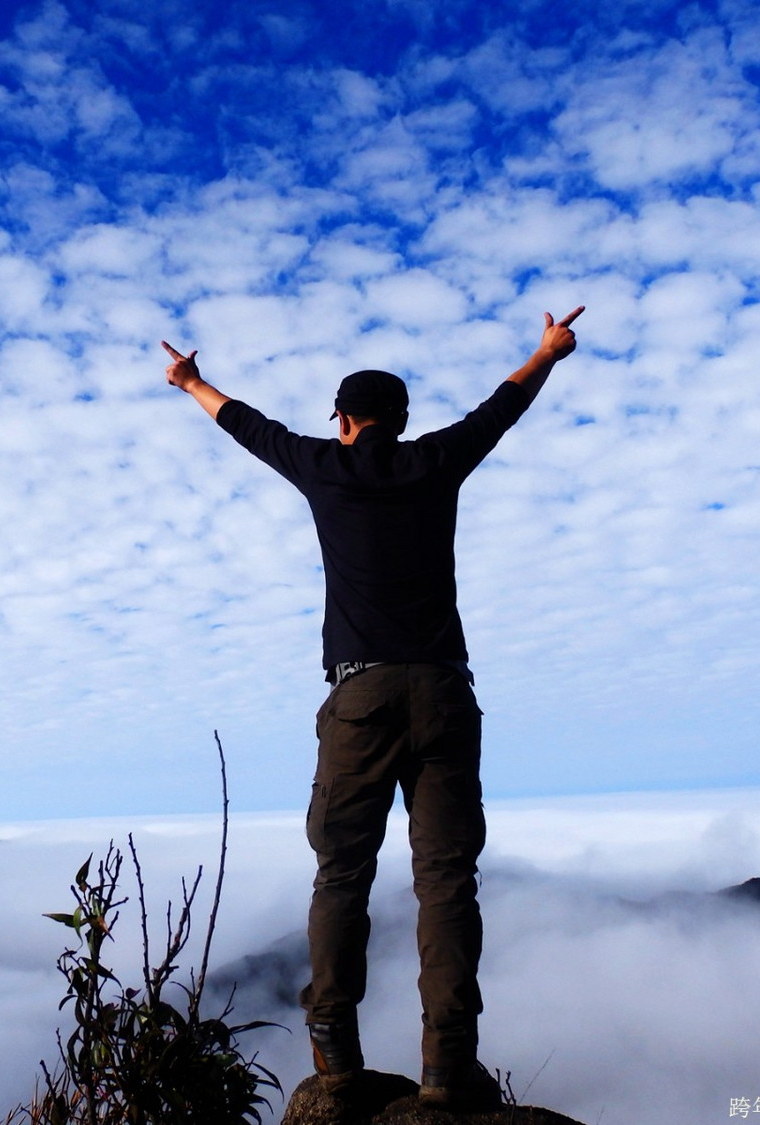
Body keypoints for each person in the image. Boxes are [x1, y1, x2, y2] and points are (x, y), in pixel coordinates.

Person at [161, 306, 583, 1108]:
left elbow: (246, 425)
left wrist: (189, 381)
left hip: (359, 697)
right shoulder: (437, 461)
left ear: (347, 420)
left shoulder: (325, 467)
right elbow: (503, 406)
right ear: (402, 419)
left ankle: (335, 1056)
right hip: (444, 692)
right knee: (448, 882)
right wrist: (547, 352)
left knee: (342, 874)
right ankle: (446, 1067)